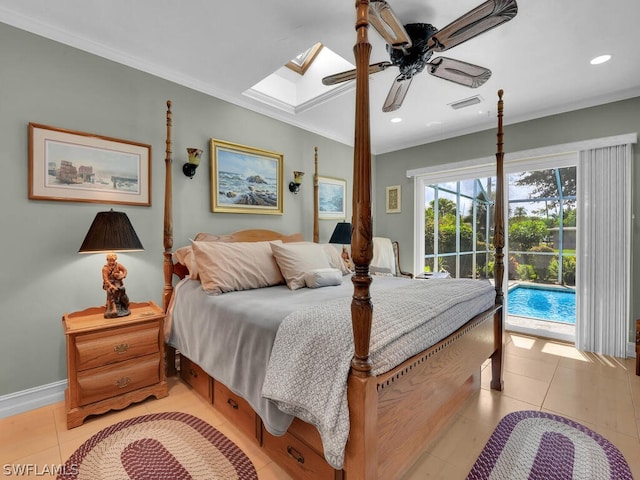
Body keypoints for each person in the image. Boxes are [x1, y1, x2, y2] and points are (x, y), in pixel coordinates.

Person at [102, 253, 130, 318]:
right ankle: (112, 308)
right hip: (109, 284)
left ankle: (122, 305)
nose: (112, 262)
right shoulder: (105, 268)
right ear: (107, 260)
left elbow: (125, 270)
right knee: (110, 292)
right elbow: (105, 279)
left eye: (113, 260)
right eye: (110, 260)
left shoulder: (118, 265)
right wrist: (111, 286)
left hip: (117, 282)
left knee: (119, 292)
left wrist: (123, 275)